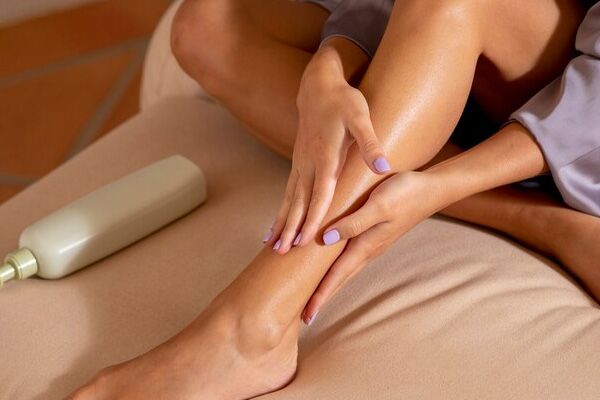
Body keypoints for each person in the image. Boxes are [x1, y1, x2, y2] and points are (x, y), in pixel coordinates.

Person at [68, 0, 600, 399]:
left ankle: (252, 328)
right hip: (478, 59)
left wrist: (449, 182)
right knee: (206, 26)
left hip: (584, 119)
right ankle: (534, 219)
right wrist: (331, 62)